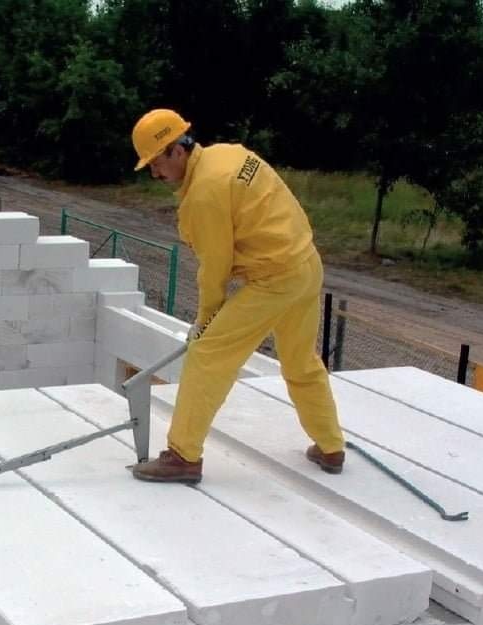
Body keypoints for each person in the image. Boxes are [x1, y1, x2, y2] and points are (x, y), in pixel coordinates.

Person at [128, 109, 346, 483]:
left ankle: (182, 456)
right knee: (300, 361)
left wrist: (206, 320)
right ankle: (331, 446)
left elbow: (216, 266)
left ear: (176, 150)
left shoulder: (204, 193)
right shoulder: (229, 155)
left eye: (155, 164)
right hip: (306, 265)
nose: (155, 174)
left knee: (207, 356)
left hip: (274, 279)